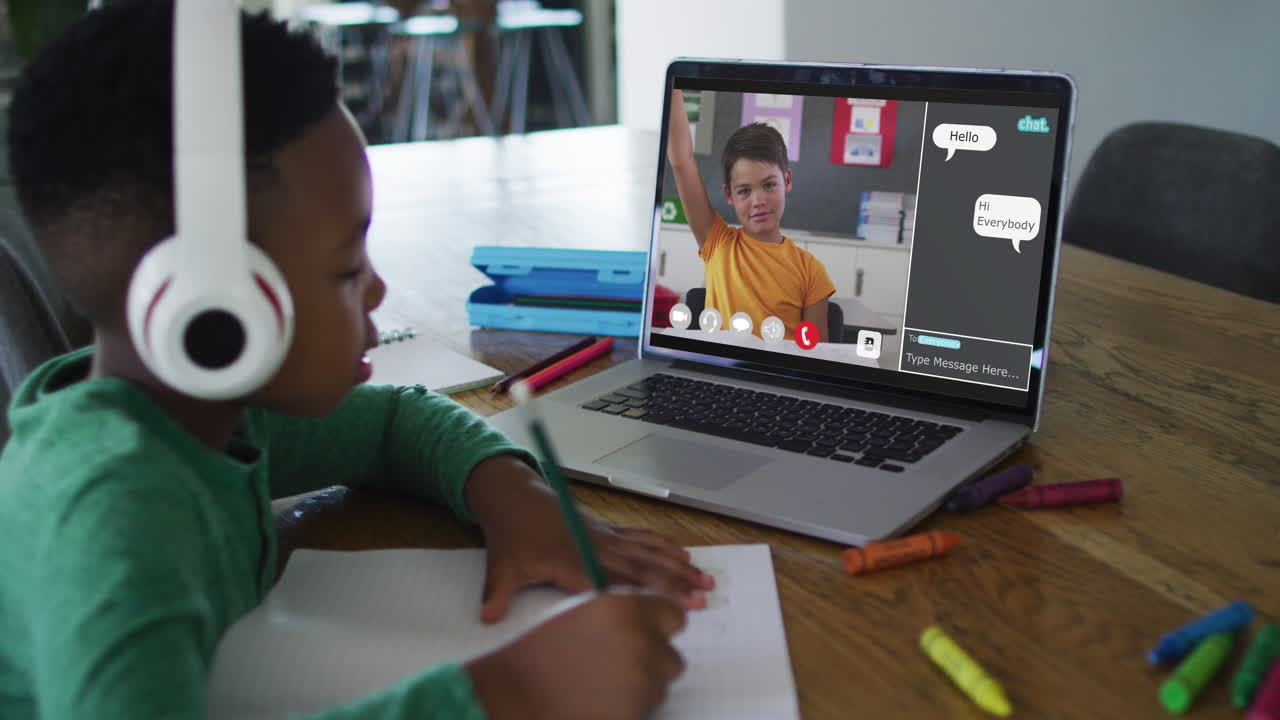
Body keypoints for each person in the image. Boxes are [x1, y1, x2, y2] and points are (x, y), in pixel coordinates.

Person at [0, 3, 712, 718]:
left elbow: (393, 423)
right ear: (213, 311)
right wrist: (512, 692)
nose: (376, 289)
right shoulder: (111, 520)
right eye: (346, 269)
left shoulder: (207, 417)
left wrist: (516, 498)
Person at [667, 89, 836, 342]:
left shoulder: (810, 271)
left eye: (769, 185)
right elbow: (682, 162)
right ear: (729, 195)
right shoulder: (717, 242)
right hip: (722, 364)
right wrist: (674, 87)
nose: (758, 201)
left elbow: (816, 352)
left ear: (787, 181)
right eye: (744, 191)